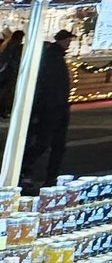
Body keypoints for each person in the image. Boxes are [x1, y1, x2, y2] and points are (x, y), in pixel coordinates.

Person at [23, 30, 75, 193]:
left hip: (54, 107)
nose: (69, 43)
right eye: (67, 41)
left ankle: (48, 174)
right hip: (52, 108)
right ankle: (29, 169)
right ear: (62, 41)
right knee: (45, 143)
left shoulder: (53, 56)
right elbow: (49, 86)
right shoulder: (53, 58)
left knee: (52, 144)